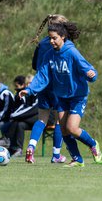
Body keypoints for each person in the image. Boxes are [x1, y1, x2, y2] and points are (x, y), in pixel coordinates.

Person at [20, 23, 102, 167]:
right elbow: (42, 75)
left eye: (54, 38)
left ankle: (93, 144)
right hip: (61, 97)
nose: (51, 41)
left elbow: (87, 68)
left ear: (63, 37)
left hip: (77, 96)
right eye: (50, 38)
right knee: (64, 130)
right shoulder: (49, 55)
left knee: (72, 128)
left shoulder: (72, 52)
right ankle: (77, 159)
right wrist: (30, 89)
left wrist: (92, 75)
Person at [25, 14, 73, 164]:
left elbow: (35, 65)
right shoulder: (63, 44)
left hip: (42, 85)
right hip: (58, 85)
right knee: (60, 121)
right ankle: (56, 155)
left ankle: (31, 148)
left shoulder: (41, 43)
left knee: (42, 119)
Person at [0, 75, 39, 157]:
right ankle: (17, 149)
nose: (29, 86)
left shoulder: (39, 94)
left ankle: (6, 139)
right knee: (19, 124)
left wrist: (14, 115)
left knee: (16, 120)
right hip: (31, 118)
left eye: (31, 83)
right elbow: (23, 107)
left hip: (42, 119)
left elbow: (32, 109)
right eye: (27, 84)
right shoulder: (27, 94)